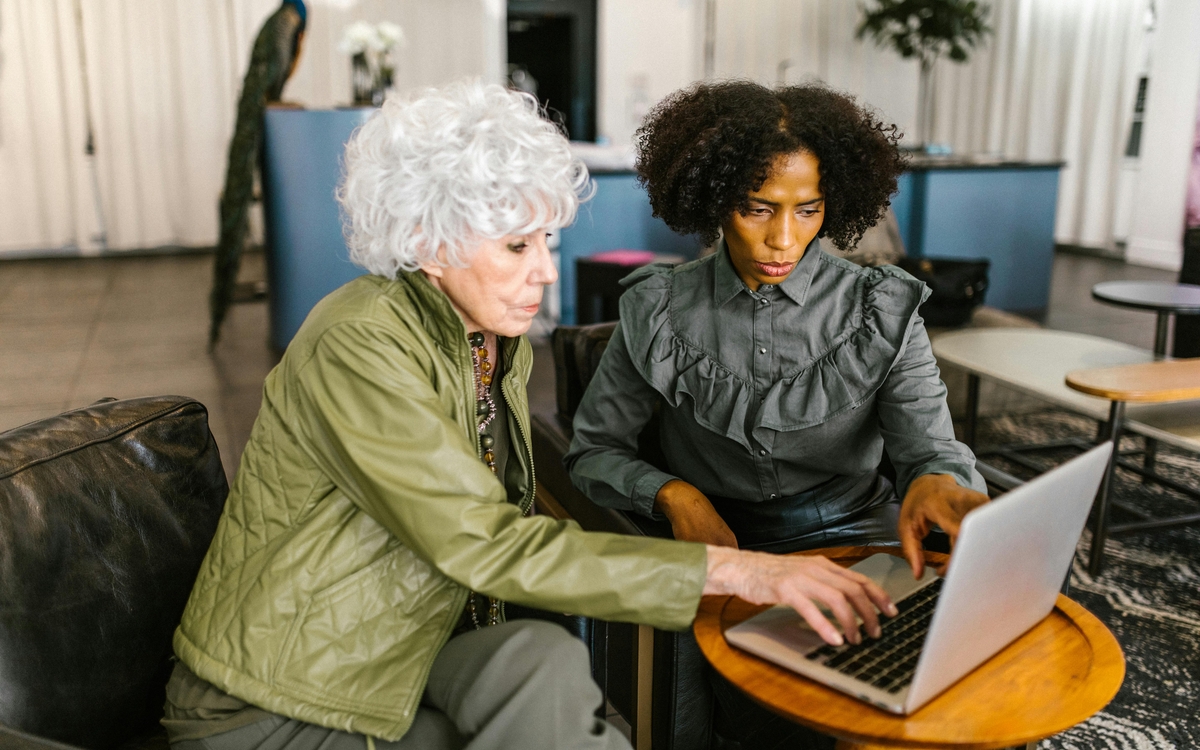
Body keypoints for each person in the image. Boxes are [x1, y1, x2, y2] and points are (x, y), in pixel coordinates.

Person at [162, 80, 899, 750]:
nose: (546, 271)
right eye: (516, 245)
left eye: (547, 240)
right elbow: (485, 545)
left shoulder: (483, 339)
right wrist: (745, 573)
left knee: (540, 657)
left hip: (396, 646)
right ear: (426, 242)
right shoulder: (360, 342)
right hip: (276, 697)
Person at [564, 81, 991, 748]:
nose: (781, 239)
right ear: (712, 199)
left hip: (860, 531)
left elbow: (928, 450)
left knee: (919, 688)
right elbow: (592, 452)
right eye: (756, 208)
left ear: (835, 203)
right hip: (725, 544)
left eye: (808, 209)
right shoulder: (658, 308)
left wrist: (935, 479)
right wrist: (675, 495)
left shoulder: (882, 308)